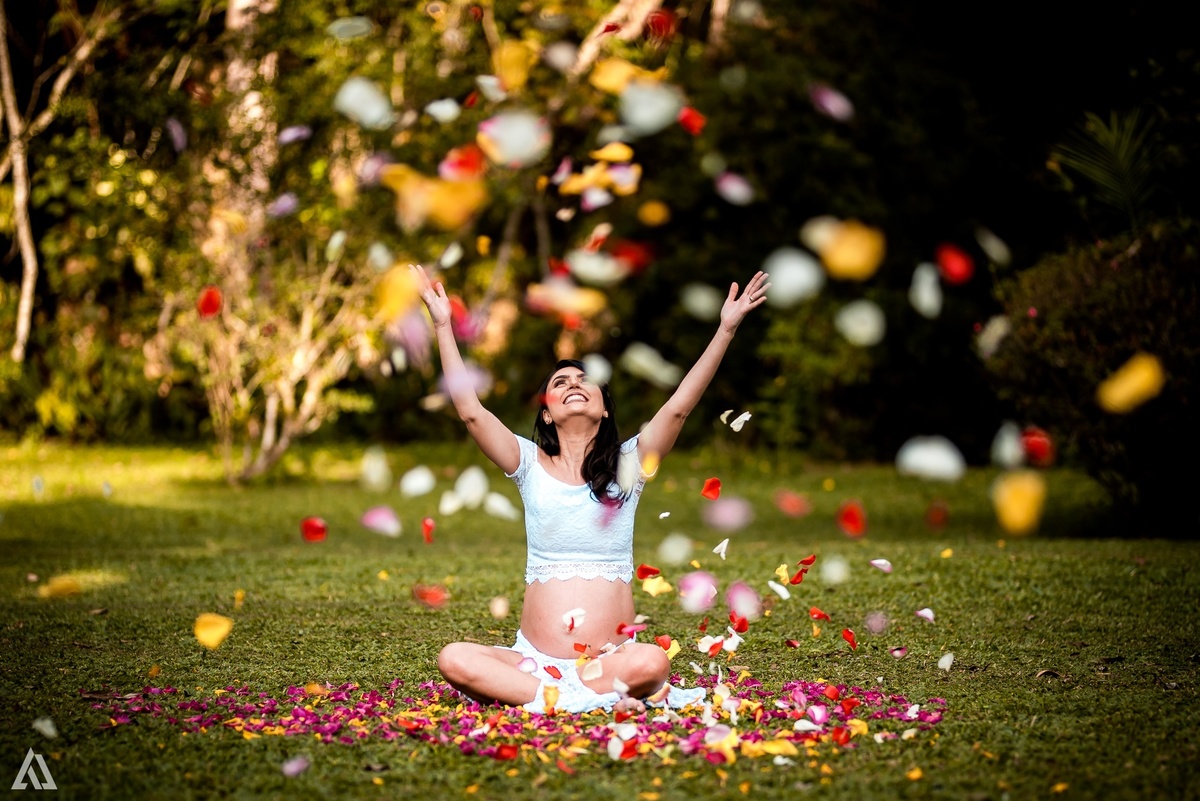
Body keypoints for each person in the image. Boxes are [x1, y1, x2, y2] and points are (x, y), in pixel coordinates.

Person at [414, 264, 770, 714]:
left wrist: (725, 329)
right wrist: (444, 325)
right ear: (546, 413)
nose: (573, 385)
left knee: (652, 660)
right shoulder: (527, 463)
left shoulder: (630, 465)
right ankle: (567, 699)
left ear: (604, 408)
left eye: (584, 380)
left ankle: (564, 700)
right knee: (455, 658)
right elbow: (469, 411)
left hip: (605, 664)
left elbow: (679, 409)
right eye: (559, 383)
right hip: (534, 664)